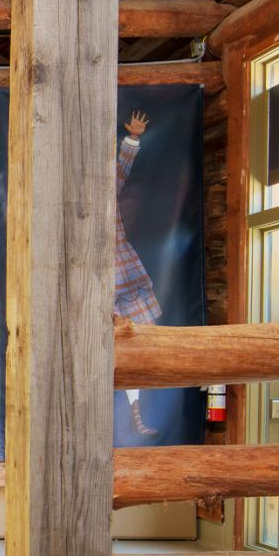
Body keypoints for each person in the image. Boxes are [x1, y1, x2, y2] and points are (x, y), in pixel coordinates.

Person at [115, 110, 164, 436]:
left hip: (123, 271)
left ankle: (138, 418)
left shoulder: (103, 193)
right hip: (92, 285)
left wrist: (133, 138)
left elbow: (120, 171)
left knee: (140, 340)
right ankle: (125, 419)